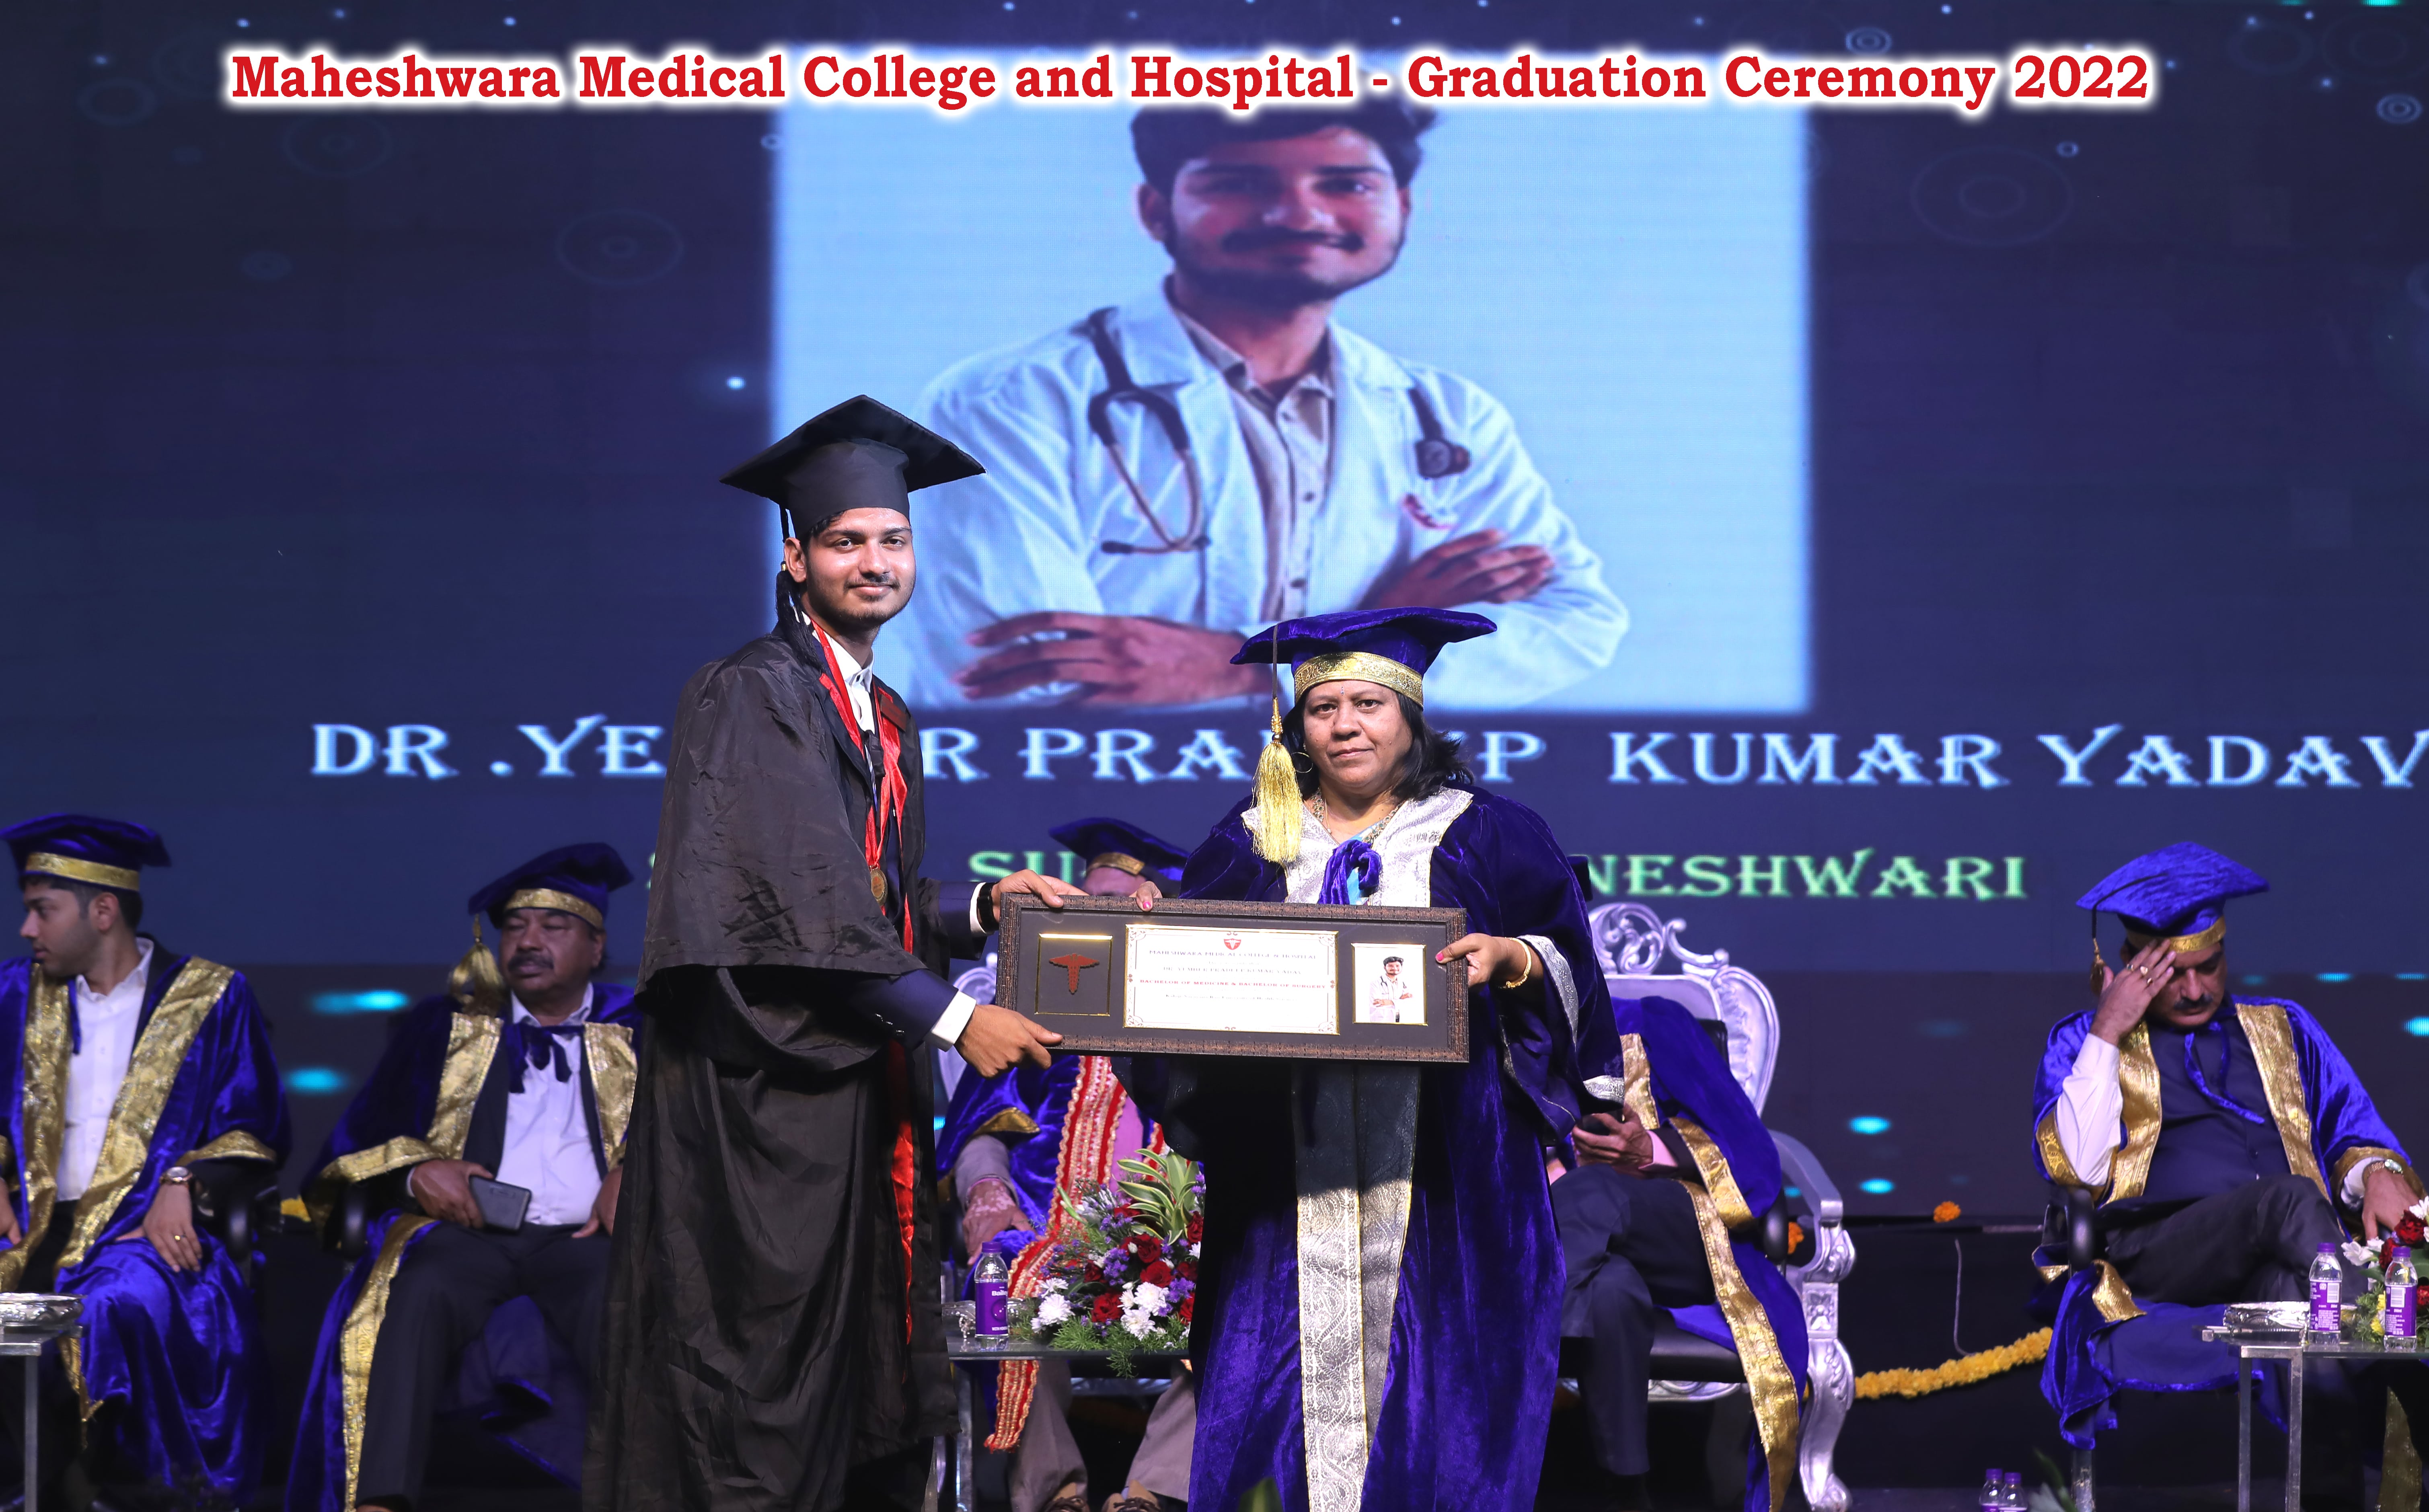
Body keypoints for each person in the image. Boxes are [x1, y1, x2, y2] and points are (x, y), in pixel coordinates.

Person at [588, 395, 1108, 1512]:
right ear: (796, 559)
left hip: (848, 1087)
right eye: (844, 541)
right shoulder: (756, 692)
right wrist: (960, 1019)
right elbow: (795, 906)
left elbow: (870, 897)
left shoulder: (881, 710)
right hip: (761, 1093)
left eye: (892, 540)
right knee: (758, 1367)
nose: (874, 563)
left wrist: (981, 902)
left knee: (844, 1375)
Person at [1121, 607, 1615, 1512]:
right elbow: (1186, 988)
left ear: (1409, 716)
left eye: (1367, 704)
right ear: (1297, 729)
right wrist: (1154, 944)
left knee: (1447, 1390)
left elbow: (1569, 961)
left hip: (1451, 1173)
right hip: (1285, 1169)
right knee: (1272, 1388)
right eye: (1323, 709)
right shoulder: (1253, 836)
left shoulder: (1487, 831)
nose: (1344, 726)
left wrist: (1512, 958)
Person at [896, 103, 1627, 710]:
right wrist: (1380, 629)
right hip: (1083, 825)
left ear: (1401, 207)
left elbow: (1574, 624)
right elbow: (1022, 684)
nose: (1297, 212)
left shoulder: (1450, 414)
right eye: (1240, 184)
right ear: (1155, 210)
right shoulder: (1008, 403)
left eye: (1346, 183)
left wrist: (1248, 664)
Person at [2035, 841, 2428, 1486]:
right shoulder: (2084, 1041)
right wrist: (2110, 1030)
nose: (2195, 990)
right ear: (2131, 967)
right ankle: (2397, 1341)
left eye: (2209, 967)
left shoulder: (2285, 1029)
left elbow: (2351, 1130)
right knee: (2290, 1200)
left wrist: (2376, 1172)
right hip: (2158, 1255)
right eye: (2174, 975)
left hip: (2289, 1256)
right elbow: (2075, 1169)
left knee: (2306, 1325)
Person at [288, 844, 643, 1512]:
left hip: (586, 1241)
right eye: (515, 927)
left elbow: (693, 1137)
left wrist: (639, 1175)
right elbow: (361, 1136)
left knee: (622, 1301)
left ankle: (645, 1496)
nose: (528, 942)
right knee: (417, 1290)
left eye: (553, 926)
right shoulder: (445, 1027)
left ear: (597, 947)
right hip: (473, 1235)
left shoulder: (641, 1029)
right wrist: (417, 1173)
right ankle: (380, 1501)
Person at [0, 814, 291, 1509]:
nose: (28, 930)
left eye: (43, 910)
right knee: (15, 1312)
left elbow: (255, 1124)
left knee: (105, 1305)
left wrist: (184, 1180)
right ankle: (54, 1490)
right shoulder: (14, 994)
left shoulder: (211, 996)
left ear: (103, 912)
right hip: (34, 1224)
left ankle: (110, 1487)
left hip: (142, 1227)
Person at [941, 818, 1188, 1512]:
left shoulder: (1196, 1018)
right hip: (1048, 1235)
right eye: (1084, 904)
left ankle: (1154, 1493)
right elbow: (981, 1130)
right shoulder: (1031, 1010)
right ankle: (1056, 1494)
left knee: (1250, 1300)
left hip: (1172, 1242)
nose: (1092, 919)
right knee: (1003, 1283)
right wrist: (987, 1192)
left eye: (1114, 905)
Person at [1550, 998, 1806, 1512]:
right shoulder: (1501, 1041)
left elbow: (1749, 1149)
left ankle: (1494, 1357)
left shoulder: (1651, 1023)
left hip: (1680, 1234)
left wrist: (1650, 1150)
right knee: (1612, 1291)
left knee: (1592, 1189)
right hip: (1568, 1240)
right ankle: (1626, 1491)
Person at [1365, 955, 1416, 1024]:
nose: (1394, 968)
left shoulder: (1405, 983)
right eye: (1391, 966)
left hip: (1401, 1019)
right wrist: (1401, 1000)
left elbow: (1411, 1003)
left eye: (1397, 966)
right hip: (1383, 1020)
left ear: (1401, 967)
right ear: (1385, 967)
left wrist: (1391, 1002)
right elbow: (1377, 1004)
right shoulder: (1376, 983)